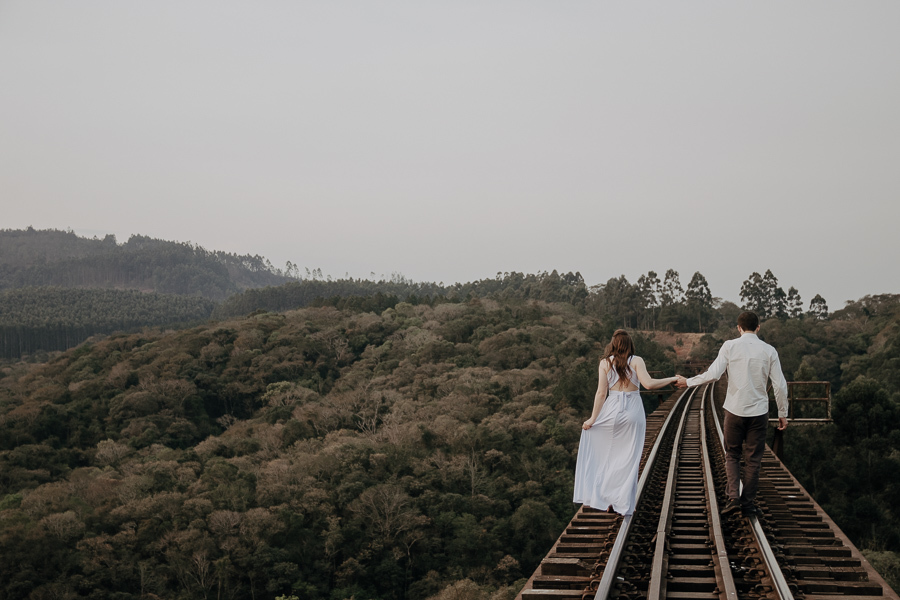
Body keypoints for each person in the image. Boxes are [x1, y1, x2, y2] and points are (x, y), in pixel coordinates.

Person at [675, 311, 788, 517]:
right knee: (753, 459)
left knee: (732, 455)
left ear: (738, 328)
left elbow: (713, 375)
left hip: (734, 410)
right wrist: (782, 412)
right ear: (758, 327)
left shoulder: (730, 346)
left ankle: (734, 497)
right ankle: (747, 503)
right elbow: (779, 384)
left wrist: (688, 382)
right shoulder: (769, 351)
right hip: (759, 412)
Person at [573, 329, 681, 516]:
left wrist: (592, 419)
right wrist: (672, 379)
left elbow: (600, 394)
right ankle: (624, 502)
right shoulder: (636, 360)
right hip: (633, 410)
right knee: (630, 459)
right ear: (629, 344)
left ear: (613, 344)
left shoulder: (605, 363)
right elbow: (649, 384)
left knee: (609, 456)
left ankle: (607, 500)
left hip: (611, 409)